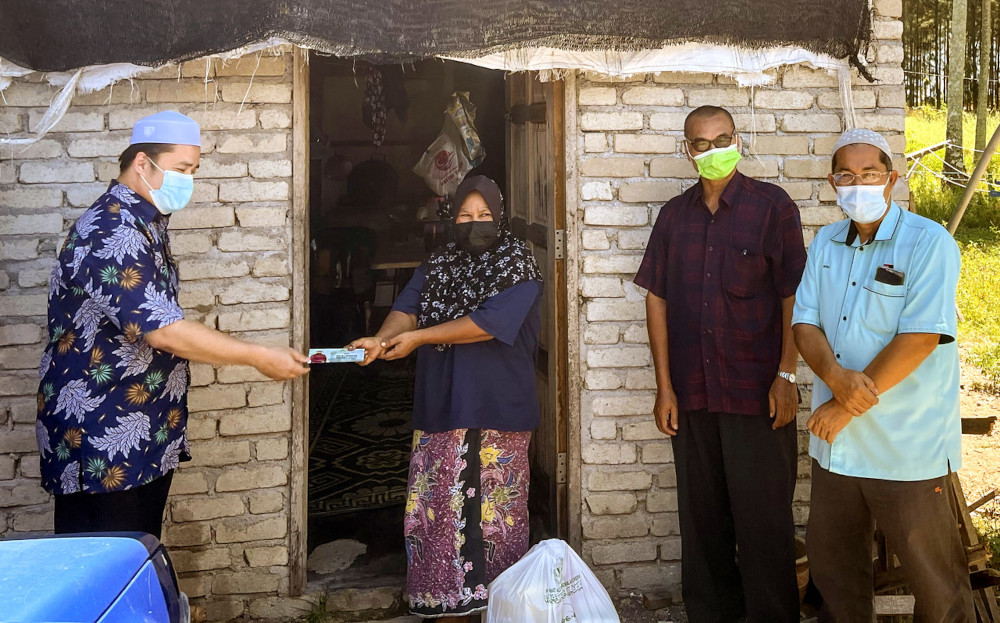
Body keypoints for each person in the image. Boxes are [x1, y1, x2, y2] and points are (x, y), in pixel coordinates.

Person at [36, 111, 309, 540]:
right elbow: (162, 328)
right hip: (101, 437)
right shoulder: (111, 229)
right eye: (182, 169)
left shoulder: (145, 222)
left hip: (138, 427)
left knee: (138, 556)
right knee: (106, 572)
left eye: (193, 171)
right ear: (142, 163)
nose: (188, 181)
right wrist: (258, 356)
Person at [633, 105, 806, 621]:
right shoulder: (673, 216)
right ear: (688, 151)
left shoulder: (772, 207)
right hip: (694, 395)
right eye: (701, 144)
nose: (713, 151)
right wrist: (665, 387)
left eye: (722, 139)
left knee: (764, 525)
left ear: (738, 140)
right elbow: (656, 298)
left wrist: (787, 375)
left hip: (759, 396)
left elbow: (794, 297)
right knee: (703, 526)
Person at [793, 128, 973, 620]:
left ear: (892, 178)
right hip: (839, 449)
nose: (858, 184)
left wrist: (844, 401)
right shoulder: (826, 242)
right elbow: (804, 323)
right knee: (835, 572)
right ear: (832, 182)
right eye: (846, 175)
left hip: (906, 447)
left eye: (869, 174)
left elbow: (920, 337)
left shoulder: (928, 242)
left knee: (935, 581)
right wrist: (836, 377)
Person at [348, 175, 543, 620]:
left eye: (485, 216)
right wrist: (380, 339)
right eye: (465, 215)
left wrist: (418, 339)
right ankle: (444, 606)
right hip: (443, 403)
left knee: (496, 517)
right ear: (451, 218)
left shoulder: (519, 266)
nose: (475, 223)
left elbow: (485, 323)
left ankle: (500, 606)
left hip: (498, 405)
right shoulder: (438, 263)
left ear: (500, 217)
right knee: (439, 508)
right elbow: (407, 308)